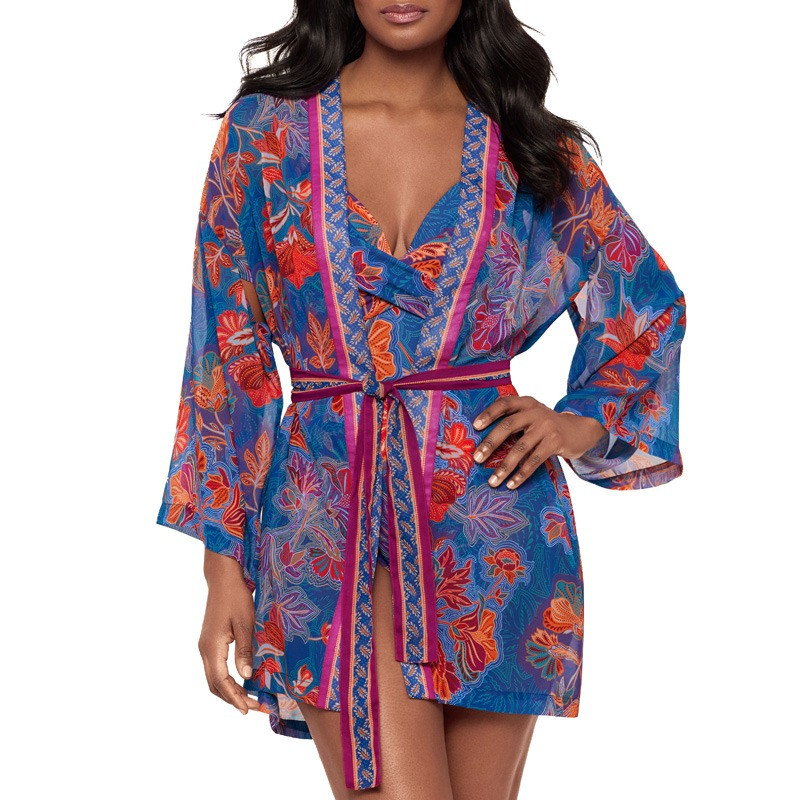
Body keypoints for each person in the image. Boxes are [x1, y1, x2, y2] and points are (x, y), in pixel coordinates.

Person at [155, 1, 687, 798]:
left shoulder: (527, 143)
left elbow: (647, 305)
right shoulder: (265, 136)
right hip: (328, 525)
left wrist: (577, 423)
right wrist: (221, 565)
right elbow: (226, 354)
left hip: (495, 531)